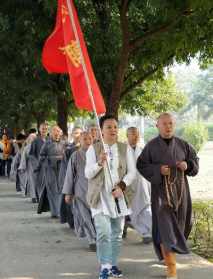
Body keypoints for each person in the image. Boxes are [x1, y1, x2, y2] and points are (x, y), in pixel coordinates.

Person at [136, 113, 199, 279]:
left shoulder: (183, 145)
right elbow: (141, 165)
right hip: (161, 197)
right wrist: (158, 170)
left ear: (174, 124)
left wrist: (188, 165)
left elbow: (195, 163)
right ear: (158, 126)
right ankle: (172, 270)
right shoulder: (150, 146)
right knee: (166, 231)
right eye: (164, 123)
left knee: (181, 227)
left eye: (171, 123)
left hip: (181, 194)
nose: (168, 126)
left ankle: (169, 256)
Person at [85, 115, 136, 279]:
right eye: (109, 127)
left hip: (118, 197)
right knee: (103, 232)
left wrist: (122, 186)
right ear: (101, 130)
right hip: (99, 197)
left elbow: (132, 173)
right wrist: (99, 163)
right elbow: (87, 173)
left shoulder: (124, 148)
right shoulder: (94, 149)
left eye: (115, 126)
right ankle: (104, 266)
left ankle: (113, 264)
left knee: (116, 233)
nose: (113, 130)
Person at [63, 131, 96, 251]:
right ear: (80, 141)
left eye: (90, 139)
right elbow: (70, 175)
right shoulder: (75, 155)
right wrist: (68, 192)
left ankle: (97, 237)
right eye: (85, 139)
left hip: (95, 192)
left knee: (96, 217)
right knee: (85, 217)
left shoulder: (98, 154)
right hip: (80, 192)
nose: (88, 141)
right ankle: (92, 240)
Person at [126, 127, 152, 244]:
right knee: (132, 210)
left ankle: (149, 232)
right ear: (127, 136)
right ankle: (142, 232)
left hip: (143, 184)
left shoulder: (144, 150)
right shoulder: (123, 150)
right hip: (129, 184)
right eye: (132, 134)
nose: (135, 137)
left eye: (137, 134)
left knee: (146, 207)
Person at [37, 125, 65, 218]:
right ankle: (55, 212)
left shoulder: (64, 143)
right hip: (50, 170)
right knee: (52, 190)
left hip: (61, 170)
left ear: (60, 133)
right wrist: (53, 159)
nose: (56, 134)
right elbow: (41, 157)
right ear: (51, 133)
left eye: (58, 132)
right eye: (54, 132)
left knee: (61, 189)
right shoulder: (47, 144)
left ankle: (60, 210)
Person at [59, 126, 82, 228]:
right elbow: (65, 168)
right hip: (71, 179)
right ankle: (71, 221)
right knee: (70, 202)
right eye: (76, 133)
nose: (78, 135)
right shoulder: (69, 150)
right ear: (72, 134)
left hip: (83, 181)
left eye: (80, 133)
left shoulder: (88, 148)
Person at [29, 123, 48, 199]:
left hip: (49, 166)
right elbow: (31, 154)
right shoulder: (35, 141)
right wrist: (36, 163)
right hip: (39, 166)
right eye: (43, 129)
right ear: (39, 130)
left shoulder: (50, 140)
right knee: (38, 182)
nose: (44, 130)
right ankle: (37, 197)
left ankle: (45, 198)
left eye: (46, 129)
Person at [18, 133, 38, 202]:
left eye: (34, 138)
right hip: (31, 167)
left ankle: (38, 196)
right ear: (29, 139)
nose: (33, 139)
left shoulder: (40, 145)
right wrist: (22, 167)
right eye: (32, 138)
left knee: (39, 182)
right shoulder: (27, 147)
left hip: (40, 167)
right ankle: (33, 196)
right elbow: (24, 158)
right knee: (32, 182)